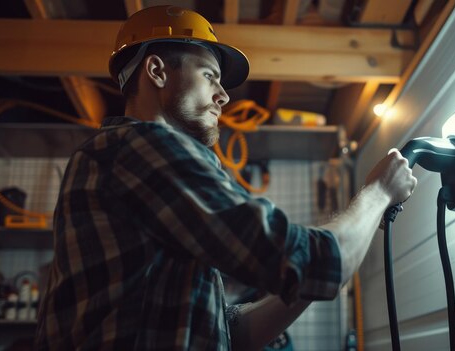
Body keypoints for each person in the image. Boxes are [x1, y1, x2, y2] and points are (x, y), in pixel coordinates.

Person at [34, 5, 417, 350]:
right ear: (156, 70)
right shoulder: (139, 146)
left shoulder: (133, 164)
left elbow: (230, 335)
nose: (224, 96)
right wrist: (379, 191)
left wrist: (305, 283)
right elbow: (312, 260)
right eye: (209, 76)